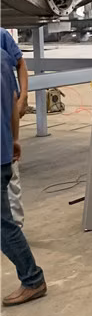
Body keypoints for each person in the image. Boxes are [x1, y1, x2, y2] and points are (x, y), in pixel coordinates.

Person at [1, 48, 45, 306]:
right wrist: (15, 140)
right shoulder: (2, 58)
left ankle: (32, 278)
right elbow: (14, 101)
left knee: (3, 226)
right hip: (4, 149)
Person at [0, 28, 28, 227]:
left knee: (11, 177)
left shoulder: (2, 36)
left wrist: (23, 95)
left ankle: (15, 227)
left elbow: (20, 64)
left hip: (5, 119)